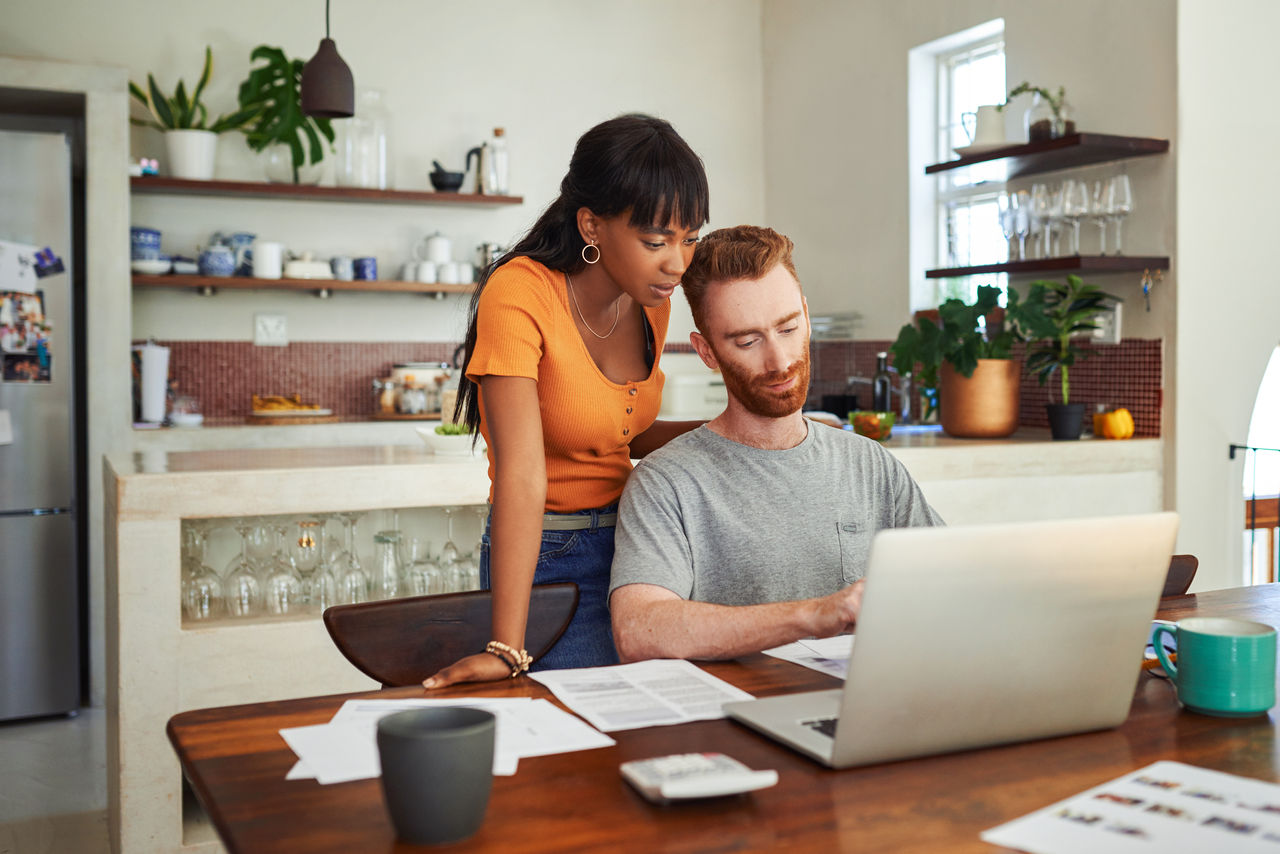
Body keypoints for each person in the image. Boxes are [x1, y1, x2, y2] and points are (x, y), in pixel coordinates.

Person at [422, 114, 709, 688]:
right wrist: (507, 645)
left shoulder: (651, 296)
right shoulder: (521, 293)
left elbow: (619, 432)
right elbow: (522, 478)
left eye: (690, 238)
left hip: (645, 545)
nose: (677, 263)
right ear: (592, 226)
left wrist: (738, 428)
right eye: (656, 241)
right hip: (553, 558)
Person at [609, 225, 943, 663]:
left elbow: (947, 586)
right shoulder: (667, 483)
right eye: (747, 341)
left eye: (788, 328)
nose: (780, 361)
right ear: (707, 351)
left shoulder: (870, 465)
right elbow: (640, 630)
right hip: (734, 720)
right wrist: (812, 615)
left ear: (805, 313)